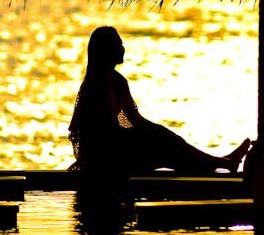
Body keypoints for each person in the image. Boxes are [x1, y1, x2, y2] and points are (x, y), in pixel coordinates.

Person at [69, 26, 250, 175]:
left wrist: (157, 131)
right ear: (106, 51)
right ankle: (223, 163)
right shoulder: (94, 87)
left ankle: (223, 163)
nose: (122, 47)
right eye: (118, 44)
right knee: (165, 148)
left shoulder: (118, 82)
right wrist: (149, 137)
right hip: (103, 157)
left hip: (118, 148)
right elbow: (105, 134)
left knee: (166, 141)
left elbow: (135, 120)